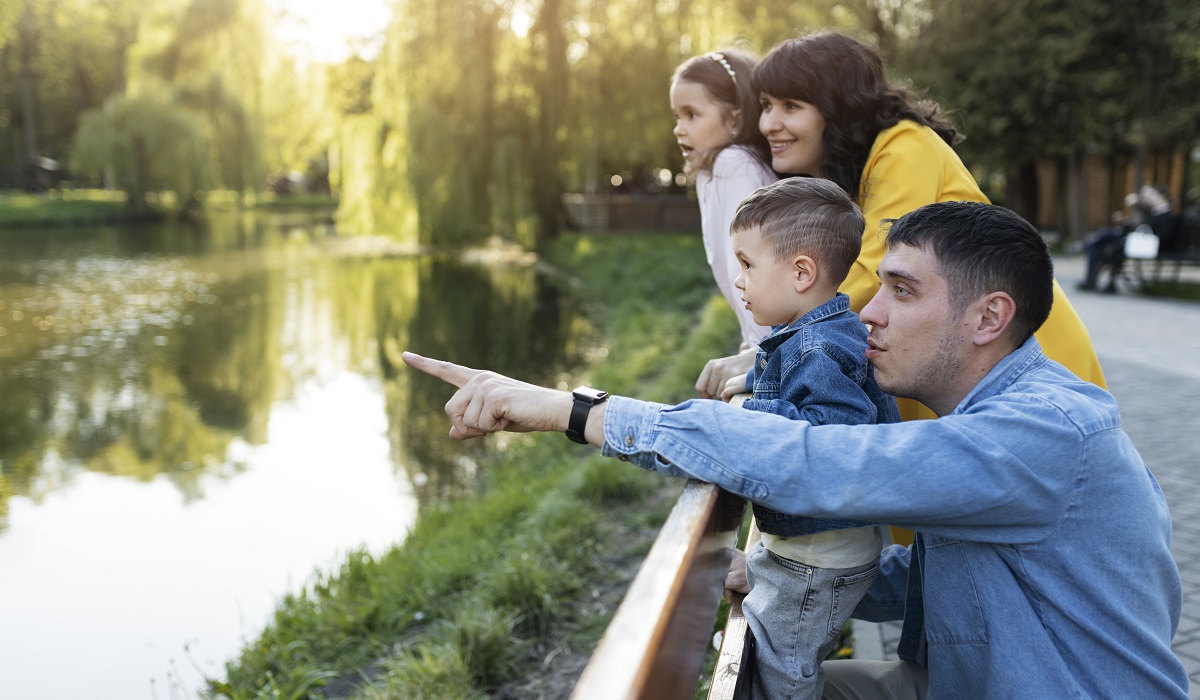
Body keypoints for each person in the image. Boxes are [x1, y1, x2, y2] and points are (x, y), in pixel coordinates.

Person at [402, 201, 1188, 699]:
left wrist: (573, 410)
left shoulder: (1047, 431)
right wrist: (774, 570)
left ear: (988, 319)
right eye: (879, 286)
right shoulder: (995, 429)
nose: (869, 314)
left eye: (903, 292)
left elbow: (822, 463)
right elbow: (945, 574)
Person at [724, 31, 1106, 410]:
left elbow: (863, 271)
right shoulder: (853, 171)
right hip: (967, 354)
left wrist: (776, 346)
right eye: (765, 105)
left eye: (791, 106)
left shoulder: (905, 147)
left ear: (839, 108)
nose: (768, 123)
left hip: (1017, 356)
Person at [725, 177, 900, 699]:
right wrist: (754, 381)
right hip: (816, 548)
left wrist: (750, 409)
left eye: (748, 265)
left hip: (819, 559)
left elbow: (833, 435)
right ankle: (762, 570)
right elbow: (800, 390)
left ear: (802, 272)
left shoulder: (818, 346)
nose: (739, 281)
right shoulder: (822, 332)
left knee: (784, 671)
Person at [669, 48, 777, 397]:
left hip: (775, 348)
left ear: (734, 118)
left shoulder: (734, 164)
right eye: (676, 116)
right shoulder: (712, 170)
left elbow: (755, 270)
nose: (678, 129)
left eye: (692, 115)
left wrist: (762, 354)